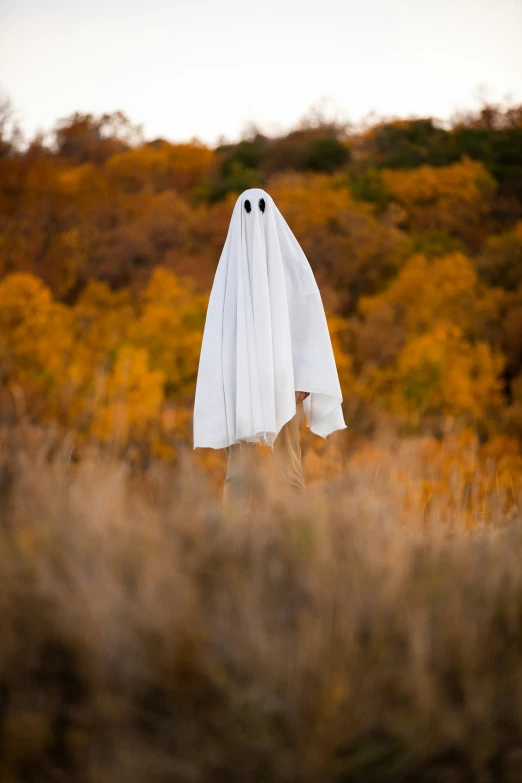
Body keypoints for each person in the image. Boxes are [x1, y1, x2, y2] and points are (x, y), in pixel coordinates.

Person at [193, 187, 346, 508]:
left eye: (261, 207)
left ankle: (294, 539)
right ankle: (232, 541)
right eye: (247, 208)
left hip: (285, 384)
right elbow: (220, 338)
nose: (254, 214)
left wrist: (304, 381)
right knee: (238, 473)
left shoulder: (293, 269)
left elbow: (309, 327)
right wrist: (226, 387)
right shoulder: (230, 277)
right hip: (242, 386)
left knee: (288, 470)